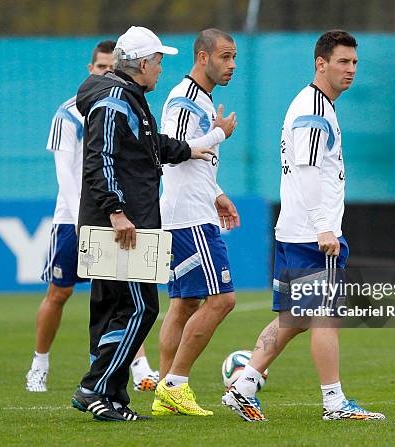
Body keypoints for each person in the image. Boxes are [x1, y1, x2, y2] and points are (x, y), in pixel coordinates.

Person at [222, 30, 385, 422]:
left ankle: (243, 386)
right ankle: (334, 403)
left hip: (296, 230)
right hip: (313, 235)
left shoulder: (315, 105)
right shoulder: (313, 108)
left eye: (355, 63)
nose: (351, 70)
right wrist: (324, 228)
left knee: (293, 319)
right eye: (343, 62)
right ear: (321, 64)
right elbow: (309, 171)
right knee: (327, 317)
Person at [70, 26, 215, 422]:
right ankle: (95, 387)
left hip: (118, 219)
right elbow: (101, 159)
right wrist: (117, 211)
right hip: (121, 223)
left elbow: (146, 148)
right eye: (158, 62)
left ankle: (111, 397)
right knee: (140, 307)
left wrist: (193, 147)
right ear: (141, 64)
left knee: (113, 309)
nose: (161, 69)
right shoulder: (116, 100)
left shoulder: (124, 97)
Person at [25, 40, 159, 394]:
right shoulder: (68, 113)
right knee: (61, 292)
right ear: (92, 69)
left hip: (107, 214)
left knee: (119, 292)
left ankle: (126, 369)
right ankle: (40, 363)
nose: (103, 73)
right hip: (77, 217)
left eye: (107, 67)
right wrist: (85, 219)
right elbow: (67, 172)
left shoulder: (128, 103)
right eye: (98, 68)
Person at [152, 28, 239, 417]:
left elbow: (193, 159)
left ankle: (164, 396)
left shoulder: (199, 99)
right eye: (224, 56)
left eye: (234, 57)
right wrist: (220, 133)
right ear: (202, 57)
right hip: (189, 217)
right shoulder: (186, 100)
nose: (231, 65)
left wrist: (216, 192)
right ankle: (176, 383)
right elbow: (172, 152)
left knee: (184, 302)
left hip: (189, 208)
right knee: (222, 299)